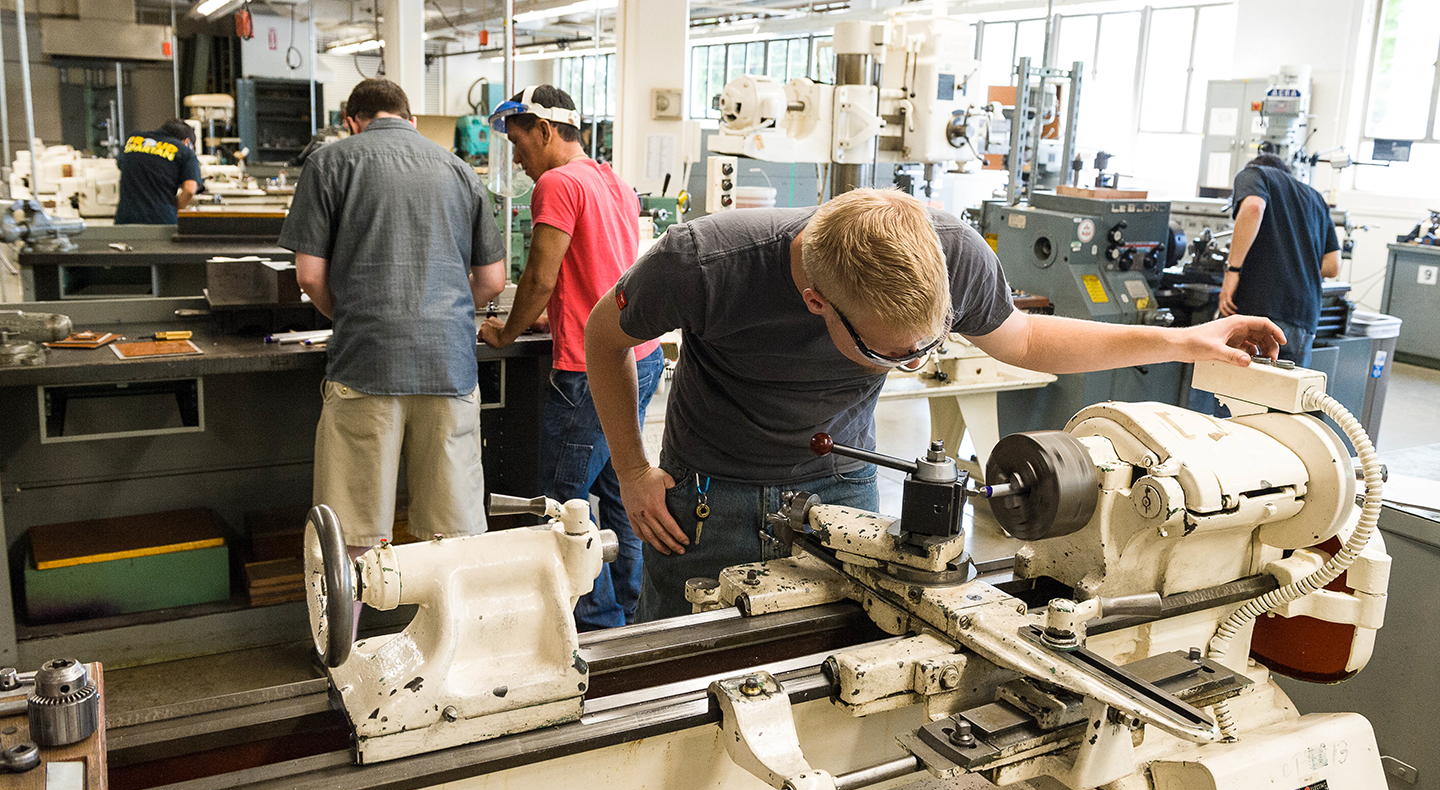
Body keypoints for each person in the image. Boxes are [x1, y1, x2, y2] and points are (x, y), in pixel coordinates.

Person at [585, 188, 1287, 621]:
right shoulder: (704, 263)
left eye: (928, 347)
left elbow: (1028, 336)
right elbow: (601, 335)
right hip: (708, 498)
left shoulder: (950, 249)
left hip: (841, 485)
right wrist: (631, 469)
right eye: (895, 356)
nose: (912, 366)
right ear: (815, 302)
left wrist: (1182, 342)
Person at [279, 78, 507, 549]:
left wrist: (355, 315)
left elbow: (307, 275)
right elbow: (492, 281)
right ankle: (446, 623)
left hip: (367, 363)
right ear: (412, 120)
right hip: (450, 368)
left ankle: (350, 625)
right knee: (452, 535)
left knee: (352, 534)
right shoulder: (462, 171)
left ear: (351, 123)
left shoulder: (329, 163)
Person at [480, 85, 664, 631]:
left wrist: (507, 331)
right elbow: (598, 271)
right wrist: (554, 315)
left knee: (564, 499)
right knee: (618, 488)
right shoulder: (613, 181)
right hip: (641, 354)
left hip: (589, 370)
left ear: (544, 130)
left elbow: (539, 276)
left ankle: (595, 620)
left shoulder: (556, 184)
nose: (516, 157)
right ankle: (631, 605)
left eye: (518, 143)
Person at [1219, 152, 1341, 367]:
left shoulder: (1254, 174)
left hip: (1260, 308)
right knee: (1285, 394)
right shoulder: (1316, 198)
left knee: (1238, 392)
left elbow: (1253, 207)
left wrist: (1233, 271)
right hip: (1303, 315)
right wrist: (1294, 265)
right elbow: (1332, 266)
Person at [114, 118, 203, 225]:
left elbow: (122, 165)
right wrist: (174, 209)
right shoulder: (185, 151)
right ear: (187, 142)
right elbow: (190, 189)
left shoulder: (132, 140)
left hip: (126, 220)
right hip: (161, 222)